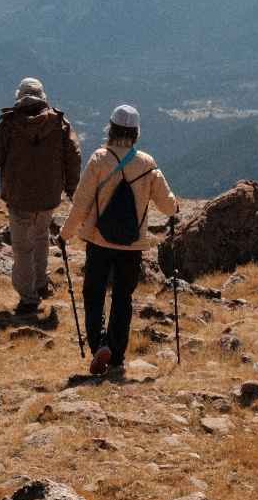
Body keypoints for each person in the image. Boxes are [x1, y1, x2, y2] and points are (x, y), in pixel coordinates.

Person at [61, 104, 179, 377]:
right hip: (132, 245)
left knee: (93, 294)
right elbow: (167, 205)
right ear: (136, 133)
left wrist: (65, 234)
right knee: (123, 298)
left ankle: (99, 343)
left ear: (111, 129)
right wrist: (176, 208)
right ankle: (117, 357)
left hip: (99, 241)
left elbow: (80, 204)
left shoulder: (99, 159)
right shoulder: (147, 164)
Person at [0, 77, 82, 315]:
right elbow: (74, 156)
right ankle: (40, 283)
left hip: (18, 197)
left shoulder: (9, 124)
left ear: (20, 97)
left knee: (22, 246)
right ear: (42, 96)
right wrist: (71, 188)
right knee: (40, 238)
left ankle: (28, 298)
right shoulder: (59, 123)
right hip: (48, 196)